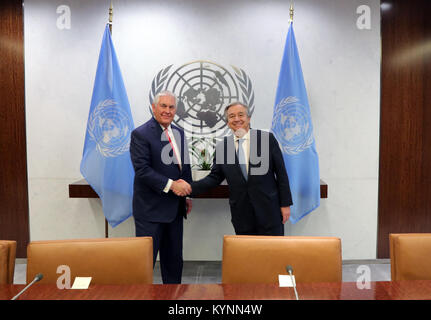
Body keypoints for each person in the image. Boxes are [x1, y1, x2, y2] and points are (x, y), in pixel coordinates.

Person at [190, 102, 292, 236]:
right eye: (232, 116)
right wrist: (190, 188)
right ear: (228, 122)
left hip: (269, 212)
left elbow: (281, 174)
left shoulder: (266, 139)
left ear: (249, 118)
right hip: (242, 216)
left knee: (273, 255)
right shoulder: (223, 147)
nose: (237, 119)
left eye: (240, 115)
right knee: (246, 255)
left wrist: (285, 205)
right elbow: (214, 177)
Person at [130, 90, 192, 284]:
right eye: (163, 106)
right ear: (153, 108)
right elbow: (142, 170)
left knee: (173, 263)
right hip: (150, 211)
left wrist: (187, 196)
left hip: (175, 209)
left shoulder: (179, 132)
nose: (167, 110)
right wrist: (172, 185)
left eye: (171, 107)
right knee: (143, 264)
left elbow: (184, 166)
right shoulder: (140, 134)